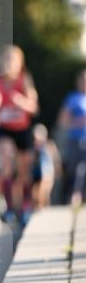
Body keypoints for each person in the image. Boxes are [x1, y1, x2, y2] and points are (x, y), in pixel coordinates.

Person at [0, 45, 38, 222]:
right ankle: (9, 208)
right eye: (5, 59)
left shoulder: (25, 80)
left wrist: (21, 101)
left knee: (24, 171)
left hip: (23, 129)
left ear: (20, 63)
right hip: (5, 129)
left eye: (12, 60)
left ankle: (25, 206)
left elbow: (34, 106)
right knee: (6, 165)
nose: (8, 63)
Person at [57, 69, 86, 206]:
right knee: (75, 168)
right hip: (76, 139)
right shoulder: (73, 98)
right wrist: (79, 122)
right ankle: (73, 195)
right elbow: (63, 120)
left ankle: (79, 195)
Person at [31, 124, 61, 210]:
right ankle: (39, 205)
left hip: (48, 170)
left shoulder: (50, 145)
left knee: (46, 188)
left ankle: (44, 205)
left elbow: (56, 158)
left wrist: (58, 169)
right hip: (38, 171)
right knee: (37, 188)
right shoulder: (34, 148)